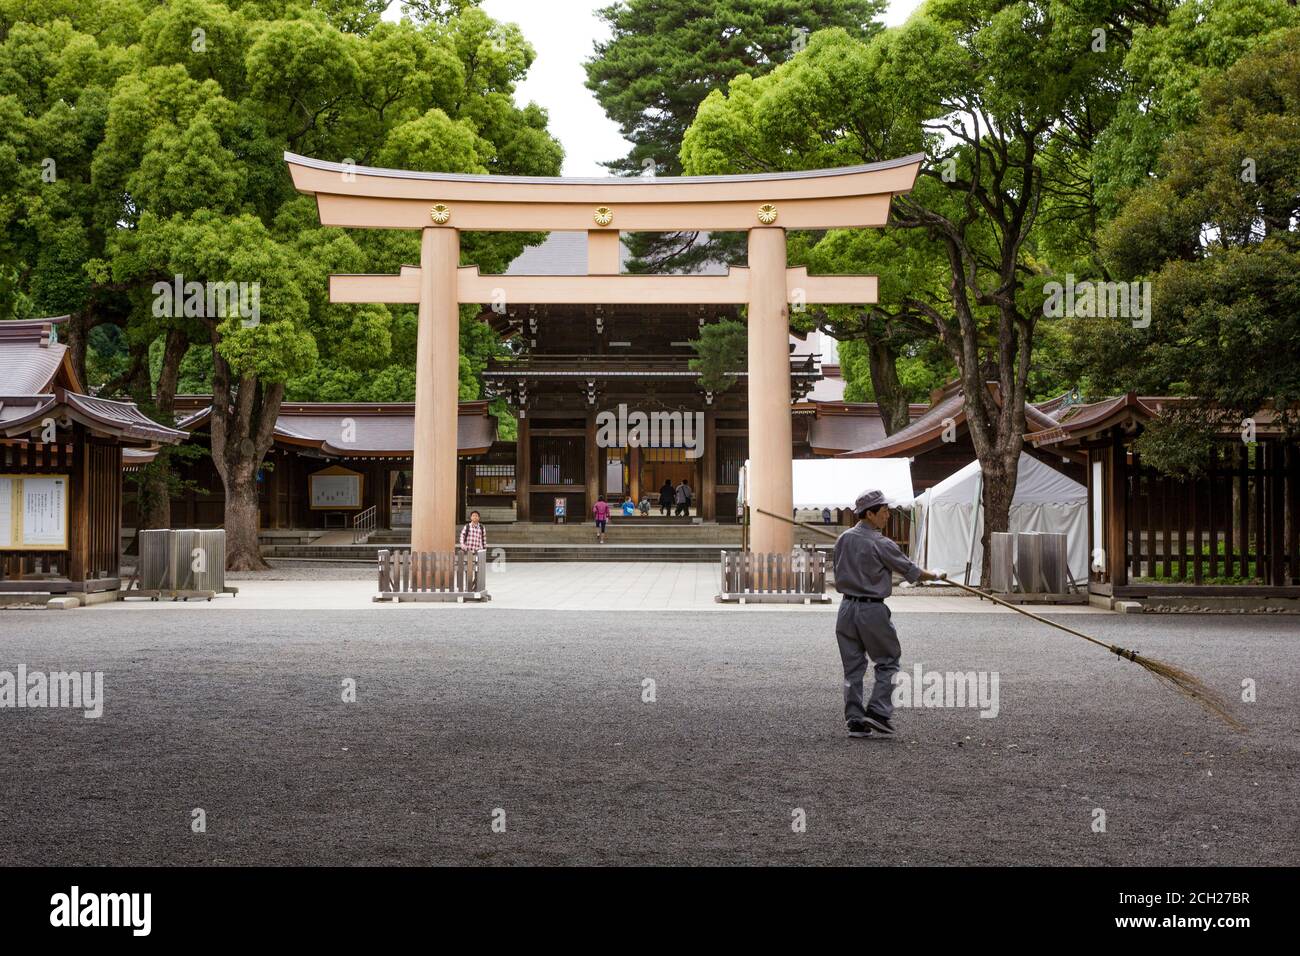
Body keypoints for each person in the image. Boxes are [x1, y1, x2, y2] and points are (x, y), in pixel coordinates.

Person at [832, 489, 943, 738]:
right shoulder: (881, 543)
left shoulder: (843, 539)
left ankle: (855, 720)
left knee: (853, 667)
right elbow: (909, 570)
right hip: (871, 609)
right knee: (888, 660)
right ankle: (879, 712)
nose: (888, 515)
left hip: (846, 608)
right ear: (870, 514)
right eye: (884, 511)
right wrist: (936, 575)